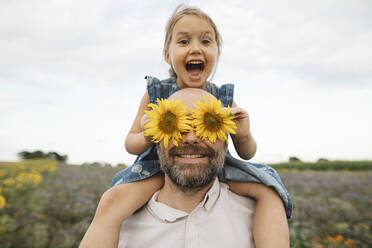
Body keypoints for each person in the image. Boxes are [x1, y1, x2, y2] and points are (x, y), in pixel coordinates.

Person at [79, 5, 291, 248]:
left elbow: (247, 153)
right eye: (183, 41)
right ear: (167, 55)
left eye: (205, 41)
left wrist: (243, 135)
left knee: (269, 190)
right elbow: (131, 143)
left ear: (216, 53)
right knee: (112, 201)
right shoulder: (155, 94)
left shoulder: (222, 97)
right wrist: (149, 135)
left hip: (217, 167)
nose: (195, 48)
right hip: (155, 169)